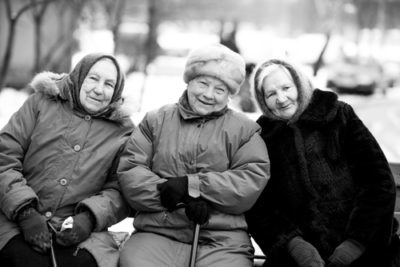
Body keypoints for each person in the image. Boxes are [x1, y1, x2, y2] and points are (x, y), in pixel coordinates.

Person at [117, 44, 270, 267]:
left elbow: (250, 180)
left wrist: (195, 186)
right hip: (158, 232)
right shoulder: (155, 121)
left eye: (220, 90)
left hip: (221, 239)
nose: (209, 95)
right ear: (189, 81)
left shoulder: (245, 131)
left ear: (229, 95)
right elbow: (131, 171)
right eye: (203, 83)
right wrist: (176, 196)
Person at [246, 58, 398, 267]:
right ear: (263, 102)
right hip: (301, 260)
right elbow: (260, 205)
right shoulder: (264, 137)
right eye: (271, 94)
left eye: (286, 88)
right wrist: (295, 246)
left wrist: (354, 245)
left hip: (364, 250)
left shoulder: (339, 116)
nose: (281, 99)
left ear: (300, 84)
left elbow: (379, 182)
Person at [0, 53, 134, 267]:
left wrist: (89, 218)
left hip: (76, 230)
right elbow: (5, 156)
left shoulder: (123, 131)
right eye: (93, 78)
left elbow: (121, 188)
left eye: (109, 84)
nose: (99, 89)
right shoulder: (40, 103)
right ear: (79, 76)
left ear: (117, 91)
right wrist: (24, 212)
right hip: (12, 218)